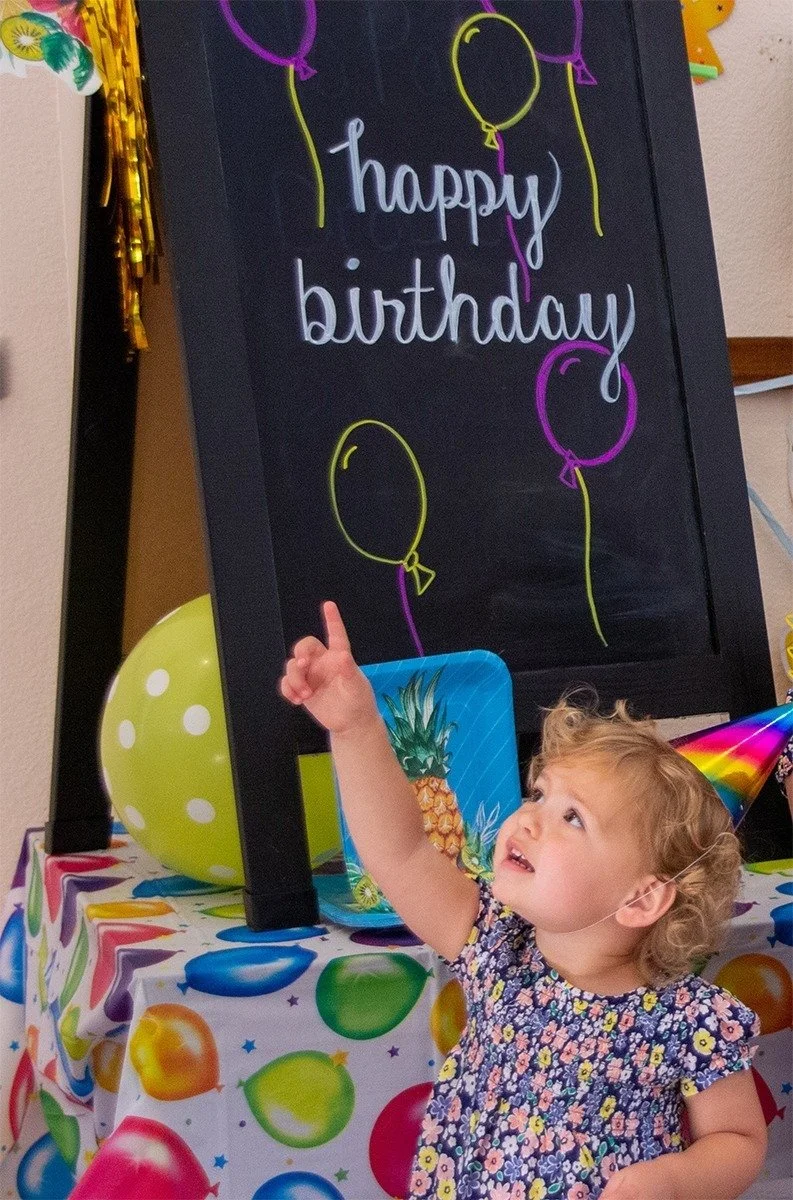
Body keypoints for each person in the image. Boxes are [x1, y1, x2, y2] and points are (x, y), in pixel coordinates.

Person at [280, 602, 767, 1200]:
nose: (529, 818)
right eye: (539, 794)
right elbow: (400, 851)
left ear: (642, 897)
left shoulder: (688, 1019)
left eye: (572, 817)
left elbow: (739, 1139)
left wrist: (668, 1182)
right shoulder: (493, 941)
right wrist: (355, 728)